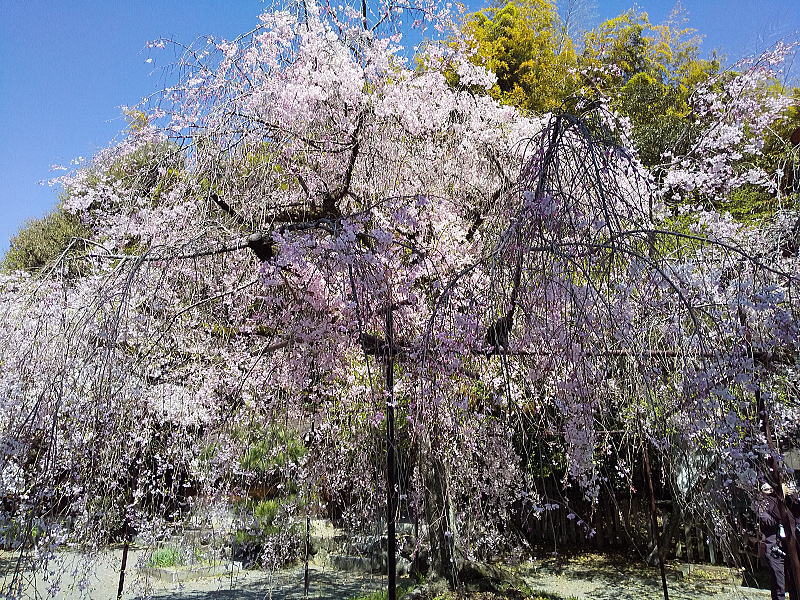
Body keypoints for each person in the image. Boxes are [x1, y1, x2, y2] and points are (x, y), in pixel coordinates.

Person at [758, 481, 799, 600]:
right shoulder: (761, 503)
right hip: (774, 547)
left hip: (791, 545)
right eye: (766, 490)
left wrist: (791, 495)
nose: (770, 492)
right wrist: (780, 496)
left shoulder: (786, 500)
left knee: (794, 580)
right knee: (778, 582)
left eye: (772, 489)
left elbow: (796, 515)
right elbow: (771, 521)